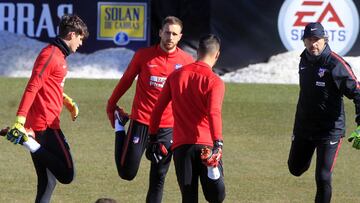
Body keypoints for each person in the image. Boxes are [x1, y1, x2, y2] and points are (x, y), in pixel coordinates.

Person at [106, 16, 194, 203]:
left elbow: (190, 96)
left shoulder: (186, 62)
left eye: (174, 34)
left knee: (158, 178)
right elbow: (126, 80)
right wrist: (111, 104)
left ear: (180, 37)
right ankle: (120, 127)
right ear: (160, 32)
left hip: (167, 128)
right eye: (167, 32)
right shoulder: (143, 55)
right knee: (127, 172)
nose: (170, 37)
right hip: (141, 121)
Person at [5, 14, 88, 203]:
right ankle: (26, 140)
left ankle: (27, 139)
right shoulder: (50, 55)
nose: (81, 43)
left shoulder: (59, 55)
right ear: (72, 35)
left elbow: (50, 85)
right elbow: (33, 86)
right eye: (80, 38)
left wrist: (66, 102)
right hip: (45, 126)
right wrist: (20, 121)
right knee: (67, 173)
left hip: (43, 123)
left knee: (48, 182)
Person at [148, 34, 226, 203]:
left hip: (182, 147)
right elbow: (214, 112)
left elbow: (157, 110)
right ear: (217, 55)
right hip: (206, 144)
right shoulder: (215, 81)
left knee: (189, 198)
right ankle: (212, 170)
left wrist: (153, 138)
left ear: (197, 52)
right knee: (216, 197)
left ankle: (212, 170)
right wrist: (217, 143)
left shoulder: (176, 76)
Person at [288, 22, 360, 203]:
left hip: (330, 130)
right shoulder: (303, 59)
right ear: (304, 41)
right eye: (309, 40)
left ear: (325, 40)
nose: (313, 44)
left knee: (323, 177)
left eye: (317, 40)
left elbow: (357, 92)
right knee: (295, 169)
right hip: (304, 127)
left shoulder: (335, 64)